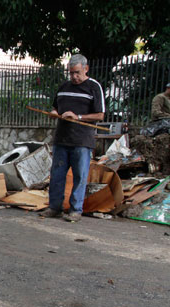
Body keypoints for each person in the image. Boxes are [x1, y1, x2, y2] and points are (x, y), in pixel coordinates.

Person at [40, 54, 105, 222]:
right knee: (57, 175)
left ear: (86, 69)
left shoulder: (94, 87)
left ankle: (76, 210)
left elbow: (100, 115)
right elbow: (55, 108)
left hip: (81, 141)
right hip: (62, 139)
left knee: (80, 176)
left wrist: (79, 117)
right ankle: (55, 207)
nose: (74, 77)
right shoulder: (64, 87)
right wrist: (54, 113)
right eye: (71, 73)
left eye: (77, 73)